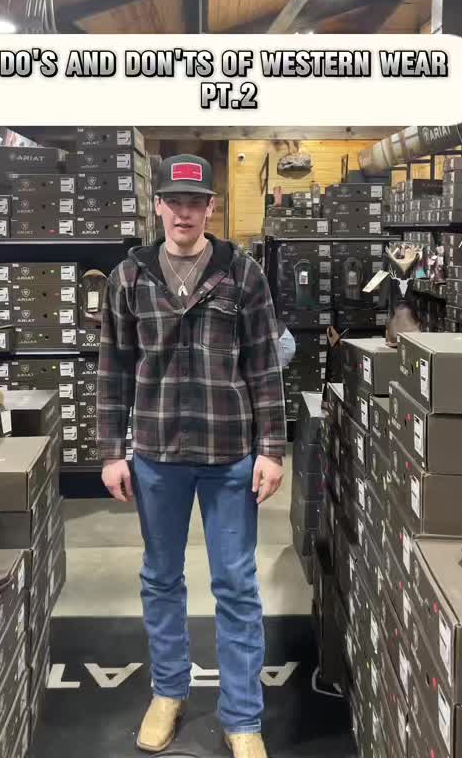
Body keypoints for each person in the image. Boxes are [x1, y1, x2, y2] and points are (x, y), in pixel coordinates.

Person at [97, 154, 287, 758]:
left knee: (236, 584)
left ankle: (243, 717)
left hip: (231, 455)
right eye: (174, 201)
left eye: (195, 201)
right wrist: (111, 451)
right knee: (160, 578)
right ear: (158, 205)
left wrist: (272, 448)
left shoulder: (242, 273)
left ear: (211, 207)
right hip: (156, 455)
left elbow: (265, 366)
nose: (184, 212)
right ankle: (168, 692)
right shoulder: (128, 277)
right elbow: (112, 369)